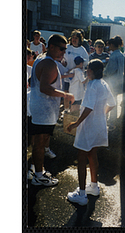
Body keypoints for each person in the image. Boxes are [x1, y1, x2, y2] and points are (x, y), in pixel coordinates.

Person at [66, 59, 116, 205]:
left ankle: (81, 195)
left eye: (88, 69)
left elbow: (88, 107)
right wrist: (102, 114)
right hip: (99, 125)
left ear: (91, 71)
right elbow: (112, 104)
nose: (86, 71)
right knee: (92, 154)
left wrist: (76, 123)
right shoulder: (104, 84)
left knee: (81, 158)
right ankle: (94, 186)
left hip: (89, 127)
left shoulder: (92, 85)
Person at [29, 34, 75, 186]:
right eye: (61, 49)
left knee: (37, 142)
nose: (63, 52)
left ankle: (34, 169)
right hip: (44, 110)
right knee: (40, 143)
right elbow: (45, 88)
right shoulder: (49, 64)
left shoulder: (40, 58)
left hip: (38, 107)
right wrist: (65, 95)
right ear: (52, 47)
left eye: (65, 49)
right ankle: (39, 176)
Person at [63, 29, 89, 109]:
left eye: (76, 38)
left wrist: (79, 66)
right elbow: (62, 58)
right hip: (67, 75)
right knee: (66, 93)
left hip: (77, 77)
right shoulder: (67, 47)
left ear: (79, 39)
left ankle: (73, 111)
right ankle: (66, 110)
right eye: (73, 37)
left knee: (75, 95)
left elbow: (86, 61)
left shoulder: (82, 50)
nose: (74, 39)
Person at [103, 35, 125, 130]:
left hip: (112, 81)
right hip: (120, 80)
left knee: (111, 101)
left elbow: (110, 70)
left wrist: (103, 72)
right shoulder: (121, 55)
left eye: (109, 45)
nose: (108, 46)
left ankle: (111, 121)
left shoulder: (113, 56)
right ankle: (113, 120)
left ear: (112, 44)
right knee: (115, 100)